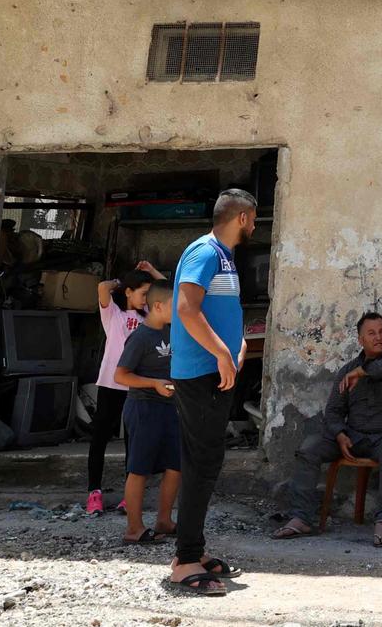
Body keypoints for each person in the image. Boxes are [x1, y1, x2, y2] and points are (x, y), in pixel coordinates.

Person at [167, 189, 257, 597]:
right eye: (252, 219)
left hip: (216, 370)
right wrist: (222, 352)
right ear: (241, 218)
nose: (254, 226)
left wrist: (236, 347)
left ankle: (193, 551)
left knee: (206, 461)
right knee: (201, 463)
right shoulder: (204, 252)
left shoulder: (224, 256)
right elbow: (186, 308)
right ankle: (185, 561)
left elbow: (219, 312)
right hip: (201, 373)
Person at [273, 312, 382, 547]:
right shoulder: (346, 370)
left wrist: (362, 372)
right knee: (310, 447)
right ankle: (301, 518)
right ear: (360, 340)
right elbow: (333, 412)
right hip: (354, 437)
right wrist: (340, 434)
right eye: (371, 333)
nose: (379, 337)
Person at [89, 260, 165, 515]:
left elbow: (170, 292)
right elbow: (102, 287)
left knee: (133, 441)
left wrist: (152, 273)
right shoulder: (113, 315)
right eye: (141, 293)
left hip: (135, 384)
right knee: (100, 437)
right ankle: (94, 492)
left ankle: (128, 496)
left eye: (148, 293)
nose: (146, 298)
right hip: (111, 382)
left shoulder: (151, 318)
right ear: (129, 293)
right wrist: (123, 282)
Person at [112, 282, 180, 545]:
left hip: (171, 407)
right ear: (159, 306)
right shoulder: (140, 337)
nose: (181, 309)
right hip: (143, 407)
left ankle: (164, 520)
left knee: (176, 466)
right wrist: (153, 383)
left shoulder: (174, 331)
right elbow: (120, 375)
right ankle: (134, 529)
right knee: (139, 468)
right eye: (175, 305)